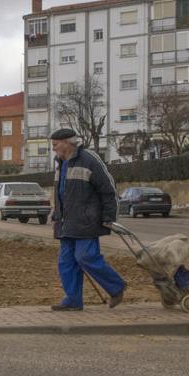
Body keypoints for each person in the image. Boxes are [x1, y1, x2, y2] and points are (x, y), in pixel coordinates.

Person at [49, 128, 126, 311]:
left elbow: (108, 189)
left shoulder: (89, 160)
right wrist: (56, 215)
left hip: (86, 222)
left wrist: (109, 216)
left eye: (55, 145)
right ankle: (73, 299)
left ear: (67, 142)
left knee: (85, 257)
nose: (53, 149)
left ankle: (116, 287)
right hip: (66, 222)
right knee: (66, 262)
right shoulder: (60, 164)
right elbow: (61, 194)